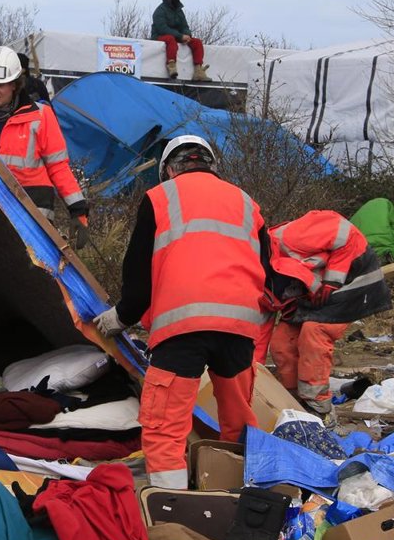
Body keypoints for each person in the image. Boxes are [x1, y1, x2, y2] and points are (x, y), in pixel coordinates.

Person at [92, 135, 270, 486]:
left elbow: (139, 272)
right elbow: (267, 269)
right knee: (239, 419)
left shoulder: (160, 198)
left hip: (182, 326)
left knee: (165, 428)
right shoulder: (247, 203)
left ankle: (170, 508)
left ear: (168, 169)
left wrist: (121, 316)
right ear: (211, 165)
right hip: (239, 327)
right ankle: (240, 494)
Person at [264, 210, 389, 426]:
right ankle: (293, 402)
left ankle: (319, 409)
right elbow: (260, 328)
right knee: (281, 343)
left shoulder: (290, 237)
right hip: (315, 294)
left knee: (315, 332)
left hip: (355, 281)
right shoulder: (255, 271)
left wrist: (333, 278)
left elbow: (344, 231)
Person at [0, 46, 89, 247]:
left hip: (34, 219)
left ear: (15, 84)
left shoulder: (41, 116)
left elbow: (58, 167)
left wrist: (77, 208)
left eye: (1, 84)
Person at [151, 0, 209, 82]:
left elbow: (185, 26)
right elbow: (162, 29)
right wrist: (180, 36)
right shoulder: (159, 11)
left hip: (178, 36)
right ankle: (171, 66)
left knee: (197, 42)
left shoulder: (179, 11)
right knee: (170, 39)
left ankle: (198, 71)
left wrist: (187, 35)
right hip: (160, 36)